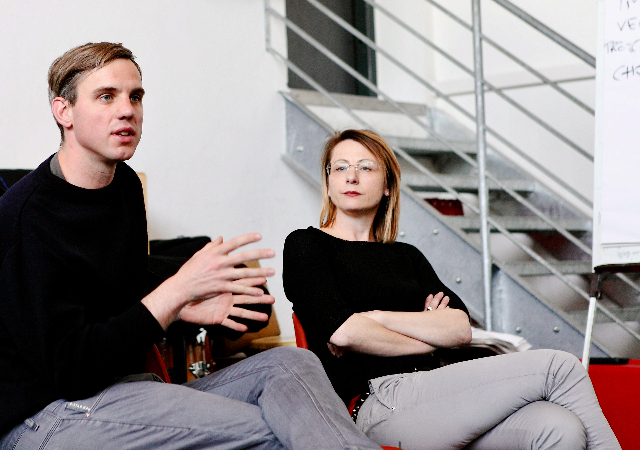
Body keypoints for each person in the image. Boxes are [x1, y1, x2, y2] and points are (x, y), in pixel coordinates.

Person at [0, 43, 385, 450]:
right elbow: (71, 371)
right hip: (48, 415)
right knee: (275, 429)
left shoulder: (124, 186)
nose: (127, 110)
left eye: (135, 96)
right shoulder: (27, 217)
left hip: (127, 391)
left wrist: (181, 309)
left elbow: (112, 302)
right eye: (106, 96)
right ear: (64, 111)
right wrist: (175, 293)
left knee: (292, 364)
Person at [283, 129, 621, 450]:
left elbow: (459, 329)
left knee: (560, 427)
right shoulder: (306, 245)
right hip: (377, 404)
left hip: (438, 395)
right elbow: (344, 333)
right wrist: (427, 337)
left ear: (387, 185)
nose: (351, 177)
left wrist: (376, 318)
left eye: (365, 167)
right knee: (560, 367)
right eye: (340, 167)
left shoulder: (407, 257)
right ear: (329, 183)